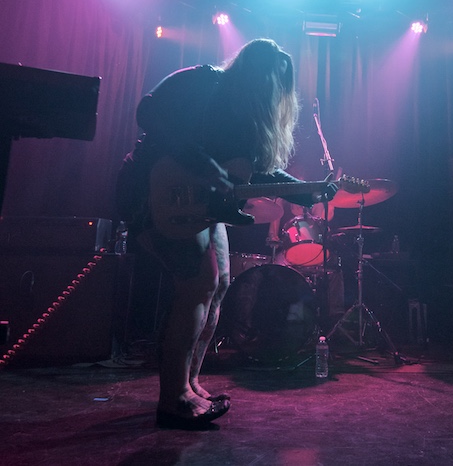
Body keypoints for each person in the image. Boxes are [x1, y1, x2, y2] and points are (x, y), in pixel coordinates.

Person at [116, 39, 338, 430]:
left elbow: (260, 173)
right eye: (266, 80)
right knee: (198, 284)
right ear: (249, 70)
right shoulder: (203, 81)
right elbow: (148, 111)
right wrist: (201, 165)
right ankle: (173, 399)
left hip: (203, 204)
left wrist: (310, 190)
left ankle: (189, 384)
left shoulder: (248, 118)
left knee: (218, 286)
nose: (269, 91)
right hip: (155, 190)